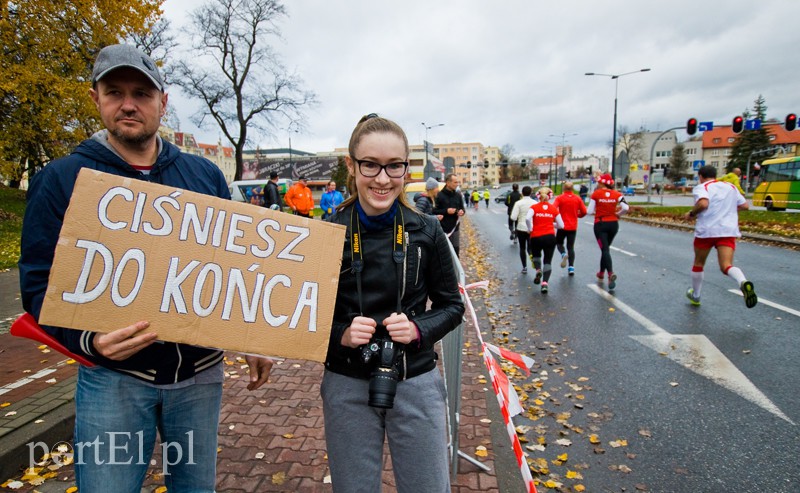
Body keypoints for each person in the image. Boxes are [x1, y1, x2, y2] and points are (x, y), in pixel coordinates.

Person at [17, 44, 273, 493]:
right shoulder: (61, 179)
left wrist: (251, 334)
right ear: (95, 98)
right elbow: (39, 284)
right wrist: (88, 342)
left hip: (198, 376)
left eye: (141, 92)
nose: (128, 104)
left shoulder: (204, 176)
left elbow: (235, 270)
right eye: (114, 92)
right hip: (112, 380)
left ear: (163, 102)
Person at [323, 113, 465, 492]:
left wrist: (419, 329)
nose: (383, 179)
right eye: (370, 164)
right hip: (346, 381)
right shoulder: (327, 229)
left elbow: (453, 306)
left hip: (415, 378)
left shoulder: (426, 228)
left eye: (394, 166)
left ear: (407, 168)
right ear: (352, 166)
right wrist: (341, 334)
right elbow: (303, 316)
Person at [684, 165, 757, 308]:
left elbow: (703, 203)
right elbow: (745, 206)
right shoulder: (730, 187)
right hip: (728, 230)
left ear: (700, 176)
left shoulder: (702, 187)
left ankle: (696, 295)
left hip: (707, 231)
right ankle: (743, 282)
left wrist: (691, 214)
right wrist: (726, 209)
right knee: (726, 265)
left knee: (698, 263)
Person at [587, 173, 629, 291]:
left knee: (605, 249)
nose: (598, 184)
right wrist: (618, 214)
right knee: (605, 249)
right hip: (613, 225)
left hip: (600, 224)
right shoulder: (617, 194)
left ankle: (610, 274)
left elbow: (590, 211)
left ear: (602, 183)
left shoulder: (596, 194)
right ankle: (601, 273)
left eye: (599, 182)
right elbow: (626, 208)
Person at [526, 187, 564, 293]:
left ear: (538, 196)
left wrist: (530, 228)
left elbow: (527, 218)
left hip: (536, 236)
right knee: (547, 260)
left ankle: (538, 270)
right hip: (550, 237)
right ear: (549, 197)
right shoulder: (553, 209)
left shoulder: (534, 207)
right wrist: (551, 224)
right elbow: (561, 225)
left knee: (536, 256)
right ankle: (544, 284)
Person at [553, 181, 587, 276]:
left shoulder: (560, 198)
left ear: (564, 188)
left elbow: (553, 208)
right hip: (572, 226)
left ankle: (563, 254)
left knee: (559, 243)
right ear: (572, 189)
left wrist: (556, 218)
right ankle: (571, 267)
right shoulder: (577, 198)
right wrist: (578, 215)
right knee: (570, 247)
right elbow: (584, 211)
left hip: (562, 225)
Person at [432, 173, 466, 256]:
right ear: (447, 182)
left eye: (457, 182)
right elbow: (433, 211)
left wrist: (461, 212)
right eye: (455, 182)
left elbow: (462, 208)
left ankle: (455, 268)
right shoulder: (439, 195)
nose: (457, 184)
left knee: (455, 251)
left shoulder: (458, 195)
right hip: (442, 229)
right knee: (443, 252)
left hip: (455, 228)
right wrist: (446, 211)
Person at [509, 185, 535, 273]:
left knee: (522, 248)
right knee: (530, 247)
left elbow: (513, 217)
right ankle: (532, 257)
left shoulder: (518, 203)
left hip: (521, 227)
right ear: (531, 192)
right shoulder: (535, 203)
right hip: (532, 228)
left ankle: (524, 267)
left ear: (522, 193)